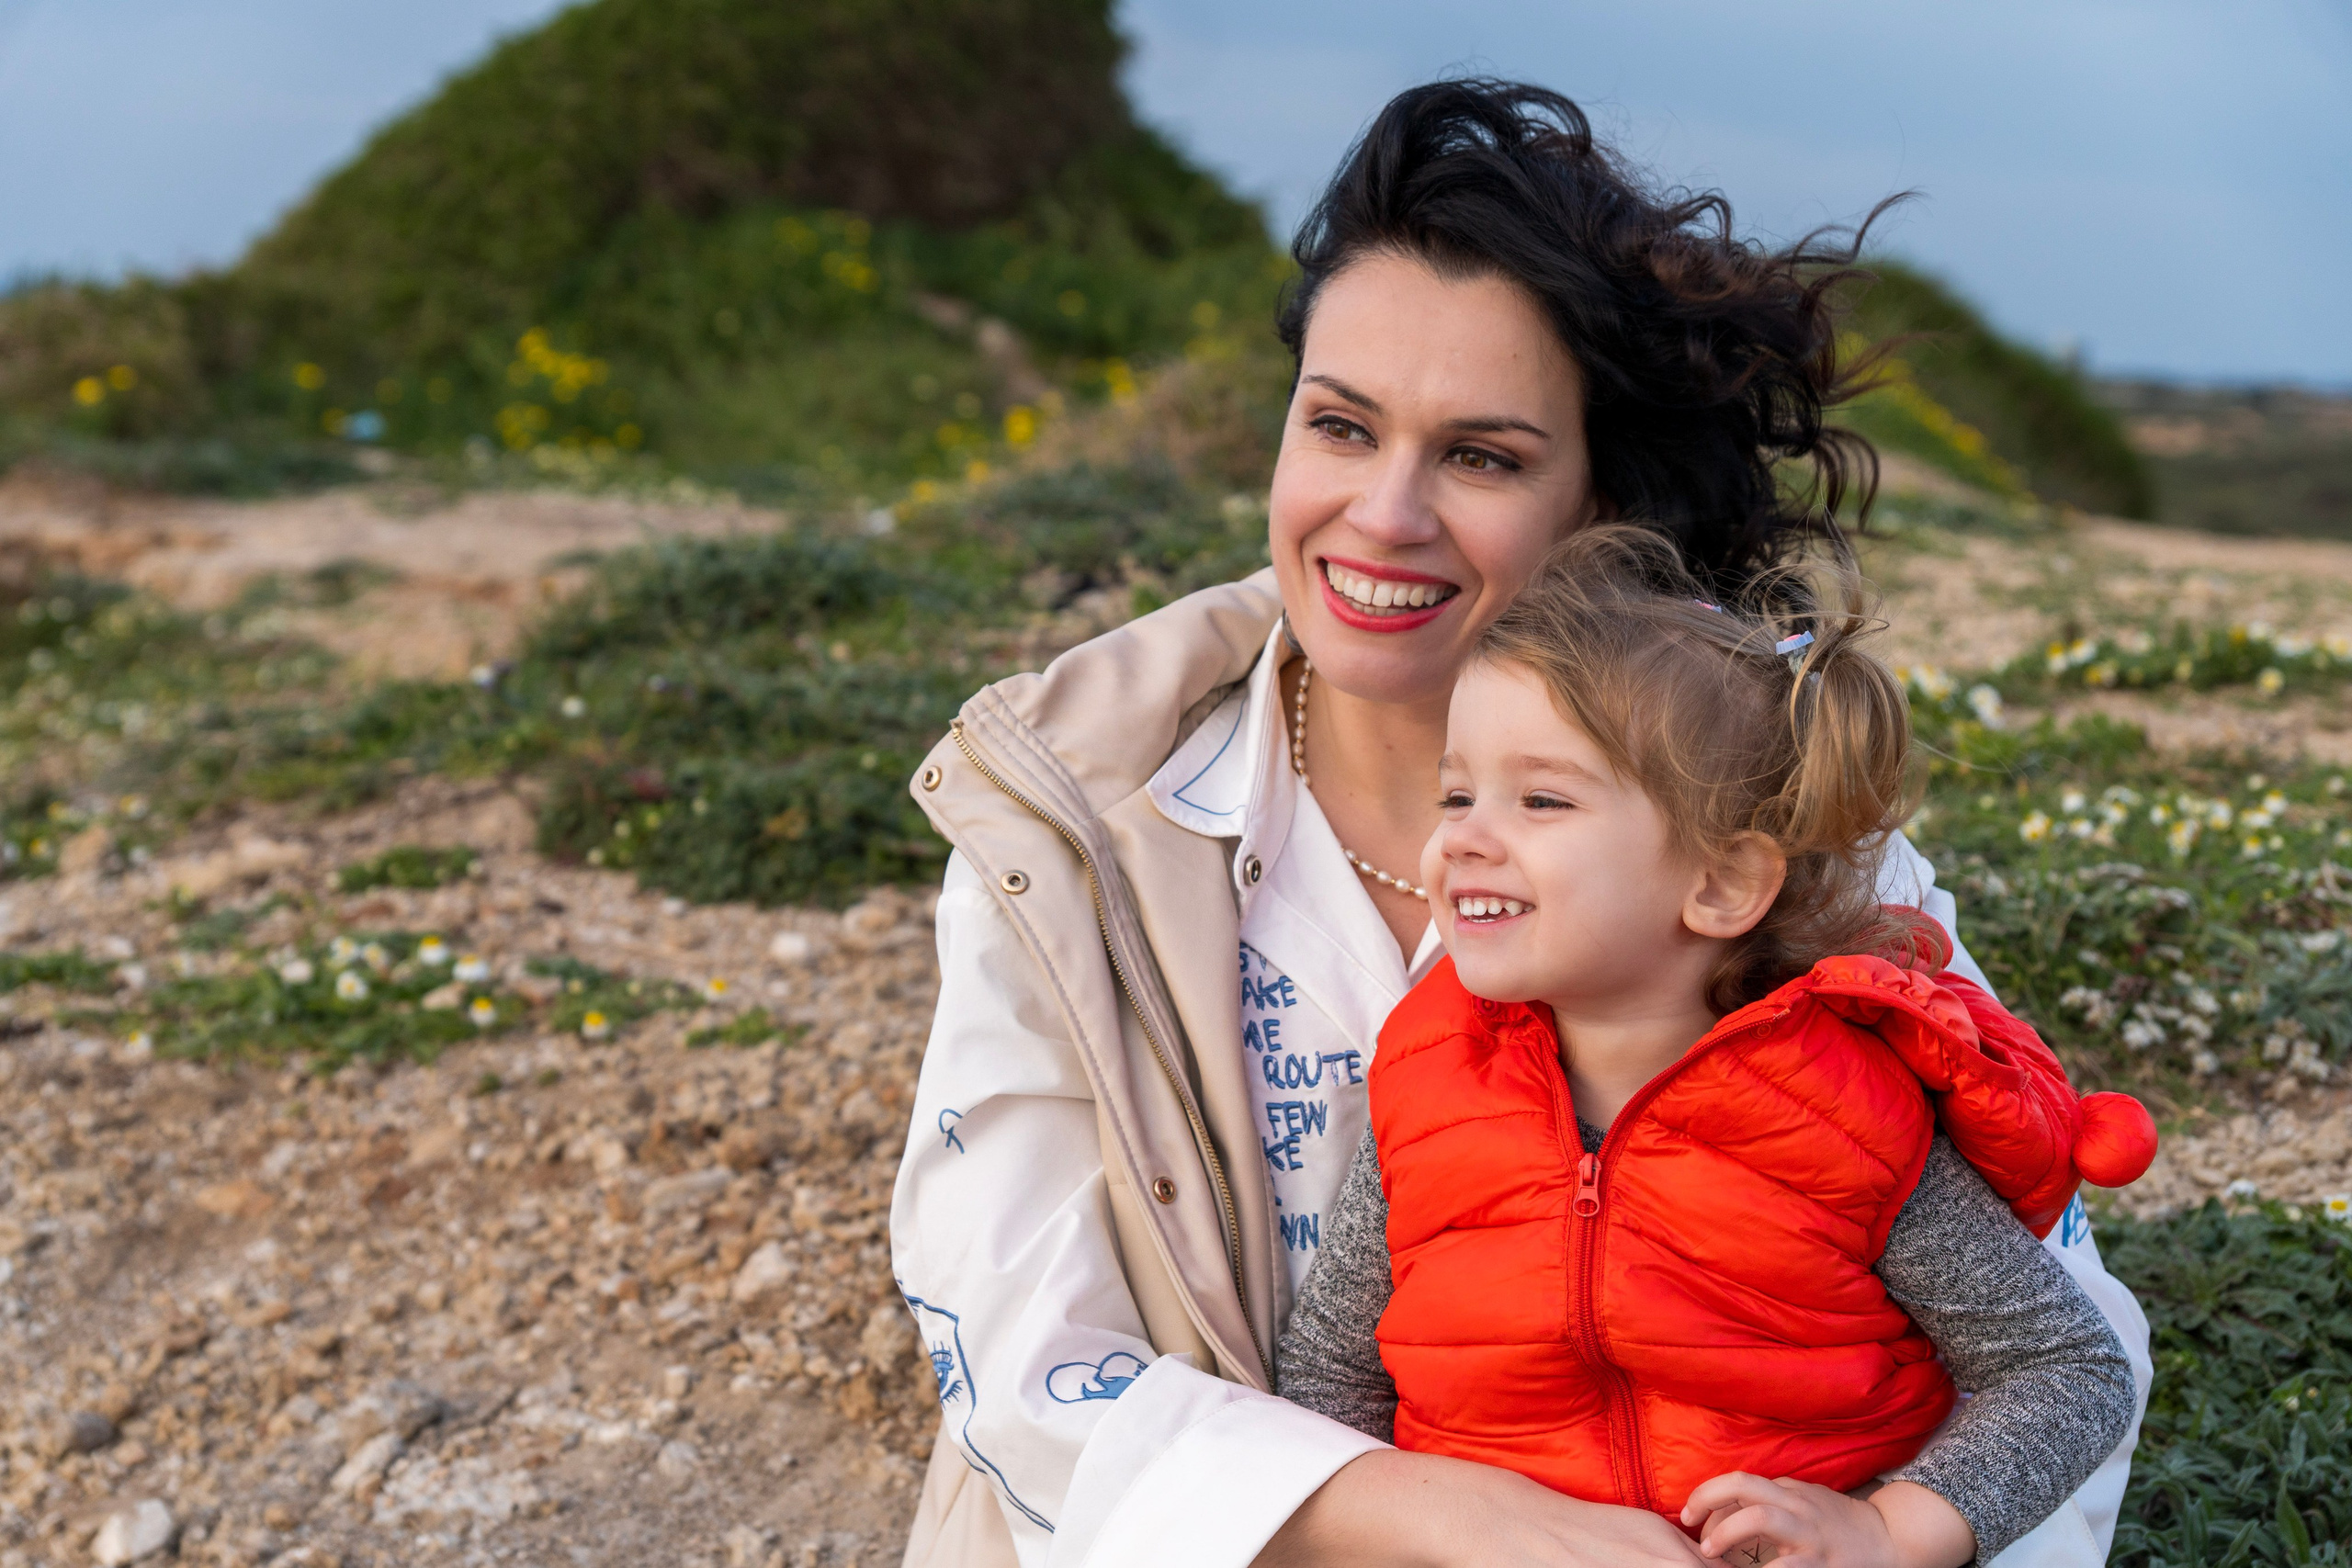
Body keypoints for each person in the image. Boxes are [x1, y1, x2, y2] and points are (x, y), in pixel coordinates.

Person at [888, 79, 2151, 1568]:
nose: (1385, 512)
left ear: (1601, 502)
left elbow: (2073, 1350)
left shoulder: (1785, 844)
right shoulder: (1070, 823)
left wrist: (1885, 1536)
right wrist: (1455, 1516)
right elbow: (1021, 1356)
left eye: (1482, 456)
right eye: (1341, 426)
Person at [1272, 525, 2156, 1568]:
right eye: (1457, 793)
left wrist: (1884, 1530)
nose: (1462, 836)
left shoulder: (1841, 1119)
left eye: (1542, 799)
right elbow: (1328, 1387)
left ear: (1724, 882)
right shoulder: (1427, 1090)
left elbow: (2065, 1371)